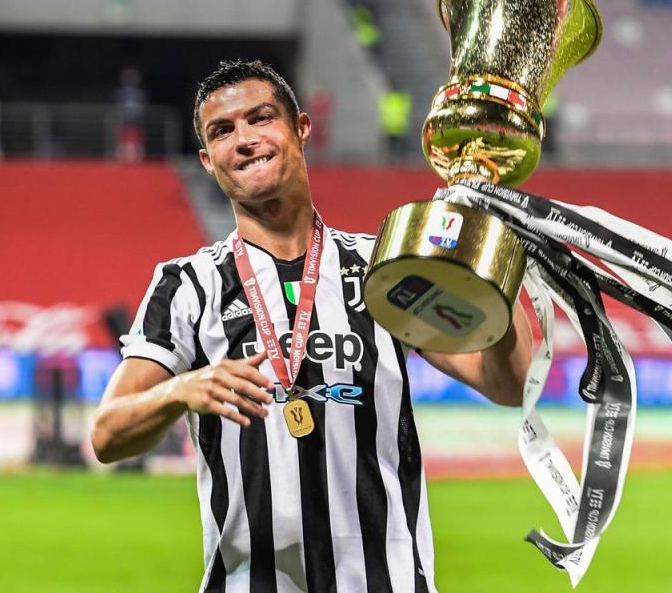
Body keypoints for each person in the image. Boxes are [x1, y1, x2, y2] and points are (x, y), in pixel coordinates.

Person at [91, 59, 533, 591]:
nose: (245, 139)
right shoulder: (187, 285)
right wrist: (182, 389)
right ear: (208, 161)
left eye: (260, 118)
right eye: (223, 131)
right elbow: (107, 433)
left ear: (301, 128)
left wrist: (495, 261)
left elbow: (508, 384)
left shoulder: (385, 267)